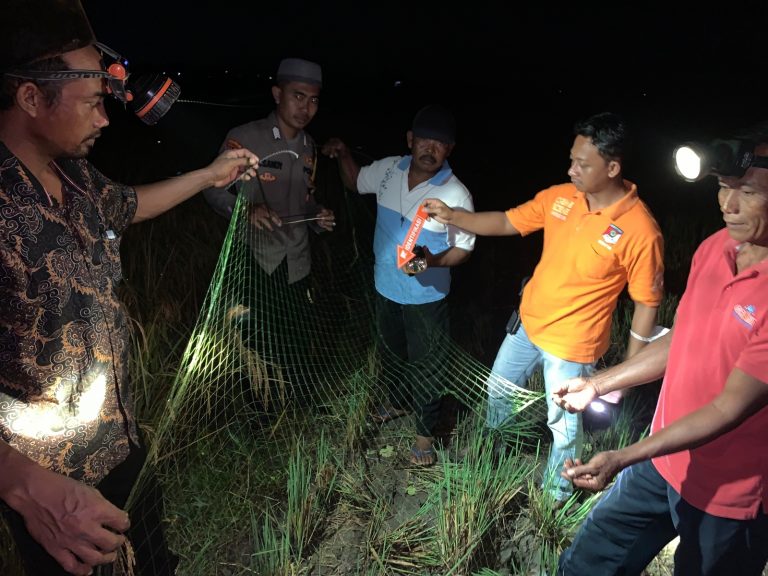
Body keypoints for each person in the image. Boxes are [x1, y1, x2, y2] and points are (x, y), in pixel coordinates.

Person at [0, 2, 259, 575]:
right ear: (30, 98)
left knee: (153, 556)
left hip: (121, 438)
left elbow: (130, 204)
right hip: (49, 482)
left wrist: (210, 174)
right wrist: (21, 486)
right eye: (93, 103)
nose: (104, 120)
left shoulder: (75, 174)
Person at [553, 126, 768, 575]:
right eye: (723, 188)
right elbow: (681, 338)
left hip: (729, 494)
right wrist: (597, 383)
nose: (727, 206)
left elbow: (729, 408)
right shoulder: (714, 249)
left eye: (747, 192)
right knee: (587, 562)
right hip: (661, 460)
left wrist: (623, 455)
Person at [424, 112, 664, 501]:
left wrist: (625, 372)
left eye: (582, 164)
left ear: (613, 167)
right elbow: (506, 221)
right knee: (498, 392)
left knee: (563, 426)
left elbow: (647, 304)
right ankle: (493, 454)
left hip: (572, 345)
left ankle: (555, 494)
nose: (571, 170)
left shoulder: (641, 230)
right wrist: (455, 217)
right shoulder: (561, 198)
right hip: (528, 324)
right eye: (571, 159)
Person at [322, 104, 475, 465]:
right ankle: (397, 402)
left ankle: (424, 438)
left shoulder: (456, 194)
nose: (430, 149)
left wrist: (433, 260)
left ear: (449, 149)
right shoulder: (389, 169)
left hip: (426, 296)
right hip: (384, 286)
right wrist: (344, 154)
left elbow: (464, 250)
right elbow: (354, 181)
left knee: (428, 363)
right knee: (391, 352)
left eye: (440, 144)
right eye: (424, 140)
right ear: (410, 139)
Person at [203, 57, 334, 389]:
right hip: (257, 262)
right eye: (298, 96)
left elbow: (307, 199)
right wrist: (245, 209)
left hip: (298, 264)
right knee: (256, 345)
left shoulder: (310, 148)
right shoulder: (244, 137)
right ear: (277, 93)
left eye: (314, 99)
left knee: (298, 341)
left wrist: (319, 216)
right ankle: (261, 415)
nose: (306, 108)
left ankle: (296, 411)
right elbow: (211, 190)